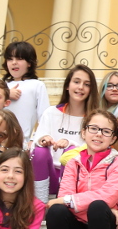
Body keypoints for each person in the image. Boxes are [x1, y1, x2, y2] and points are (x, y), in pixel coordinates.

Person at [32, 65, 99, 202]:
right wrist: (43, 139)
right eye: (76, 82)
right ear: (68, 85)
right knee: (39, 151)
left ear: (90, 90)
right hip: (48, 175)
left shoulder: (95, 119)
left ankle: (64, 201)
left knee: (71, 151)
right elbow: (35, 143)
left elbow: (93, 152)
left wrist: (70, 144)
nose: (80, 87)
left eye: (86, 84)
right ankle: (40, 203)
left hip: (77, 178)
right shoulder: (51, 112)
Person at [0, 41, 50, 141]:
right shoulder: (2, 85)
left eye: (19, 59)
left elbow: (45, 117)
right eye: (10, 59)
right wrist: (5, 95)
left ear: (29, 63)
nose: (14, 62)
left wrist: (34, 139)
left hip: (21, 142)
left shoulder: (37, 85)